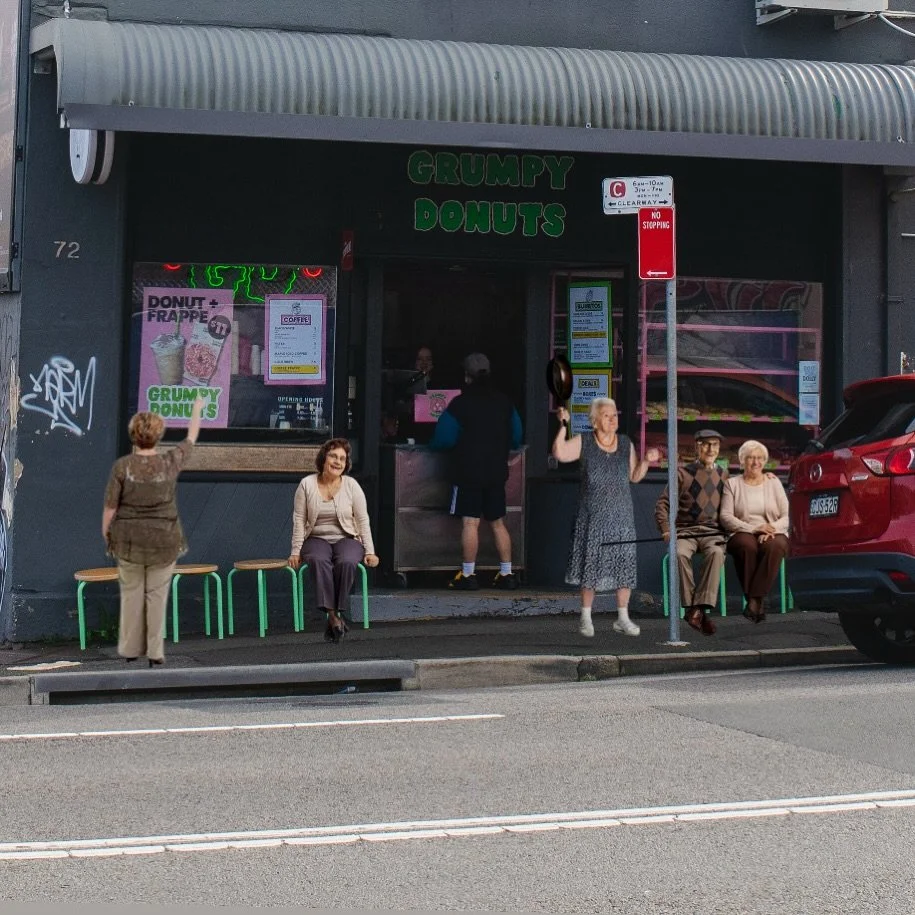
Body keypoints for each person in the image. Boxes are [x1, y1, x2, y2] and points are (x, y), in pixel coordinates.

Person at [101, 395, 204, 667]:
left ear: (133, 436)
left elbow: (111, 507)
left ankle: (130, 648)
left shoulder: (122, 467)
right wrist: (196, 409)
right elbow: (191, 438)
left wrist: (107, 534)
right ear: (158, 436)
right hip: (164, 539)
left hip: (129, 540)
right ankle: (155, 651)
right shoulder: (170, 461)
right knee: (157, 596)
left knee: (132, 594)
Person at [554, 398, 661, 637]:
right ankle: (585, 617)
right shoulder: (585, 441)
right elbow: (559, 453)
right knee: (590, 567)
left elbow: (634, 477)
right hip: (592, 517)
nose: (612, 419)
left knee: (624, 568)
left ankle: (623, 618)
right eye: (606, 415)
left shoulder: (625, 443)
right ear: (594, 421)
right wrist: (563, 425)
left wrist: (645, 461)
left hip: (622, 517)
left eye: (615, 415)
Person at [429, 352, 523, 590]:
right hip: (496, 472)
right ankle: (507, 573)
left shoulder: (460, 404)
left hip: (468, 472)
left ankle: (468, 575)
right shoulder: (505, 403)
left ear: (466, 376)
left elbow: (443, 439)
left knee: (470, 523)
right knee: (498, 522)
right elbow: (517, 437)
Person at [287, 438, 379, 642]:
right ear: (323, 458)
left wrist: (370, 551)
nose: (338, 462)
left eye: (342, 459)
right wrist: (295, 551)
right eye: (333, 456)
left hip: (347, 537)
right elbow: (299, 520)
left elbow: (362, 519)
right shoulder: (306, 484)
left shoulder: (352, 485)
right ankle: (334, 617)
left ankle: (334, 616)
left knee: (347, 561)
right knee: (318, 560)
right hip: (316, 538)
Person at [655, 428, 728, 637]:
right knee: (678, 553)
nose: (711, 449)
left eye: (715, 444)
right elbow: (662, 504)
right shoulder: (682, 474)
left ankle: (697, 609)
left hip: (713, 532)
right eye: (706, 444)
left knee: (716, 552)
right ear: (697, 447)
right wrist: (666, 529)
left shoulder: (724, 475)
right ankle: (693, 608)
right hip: (685, 531)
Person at [719, 439, 789, 623]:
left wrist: (771, 529)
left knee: (777, 545)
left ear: (764, 461)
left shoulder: (774, 482)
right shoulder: (732, 484)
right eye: (750, 458)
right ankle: (757, 601)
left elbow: (787, 516)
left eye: (759, 458)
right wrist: (755, 528)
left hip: (772, 532)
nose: (755, 462)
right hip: (742, 531)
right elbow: (725, 517)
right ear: (742, 461)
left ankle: (754, 600)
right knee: (746, 545)